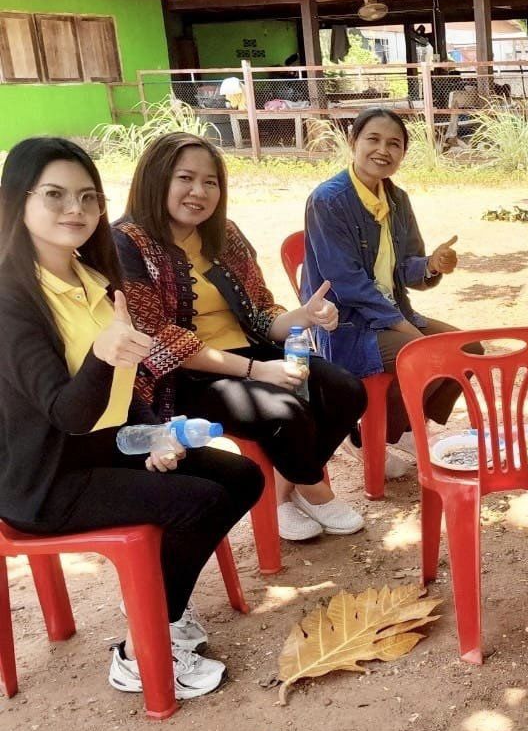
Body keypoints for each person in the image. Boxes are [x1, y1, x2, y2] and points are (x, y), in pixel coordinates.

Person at [0, 137, 263, 699]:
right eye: (55, 195)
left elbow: (127, 383)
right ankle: (142, 648)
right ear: (16, 202)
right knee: (198, 500)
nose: (76, 209)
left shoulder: (94, 277)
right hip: (46, 480)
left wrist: (153, 432)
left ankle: (161, 615)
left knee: (241, 476)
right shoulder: (11, 299)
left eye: (88, 197)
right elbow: (68, 414)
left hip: (104, 449)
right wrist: (103, 353)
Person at [114, 133, 367, 542]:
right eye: (186, 178)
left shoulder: (224, 234)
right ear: (156, 179)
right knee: (283, 412)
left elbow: (262, 313)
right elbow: (159, 340)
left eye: (211, 182)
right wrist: (256, 370)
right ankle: (313, 488)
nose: (199, 192)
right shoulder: (127, 242)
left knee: (344, 390)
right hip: (183, 375)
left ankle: (288, 491)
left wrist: (303, 316)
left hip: (252, 351)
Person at [302, 107, 472, 475]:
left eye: (394, 144)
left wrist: (431, 264)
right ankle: (365, 438)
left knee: (468, 350)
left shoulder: (397, 199)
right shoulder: (328, 200)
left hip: (391, 315)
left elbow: (406, 266)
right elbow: (345, 281)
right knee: (421, 353)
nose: (383, 150)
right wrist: (399, 325)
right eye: (373, 140)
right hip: (345, 324)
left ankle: (403, 427)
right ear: (352, 142)